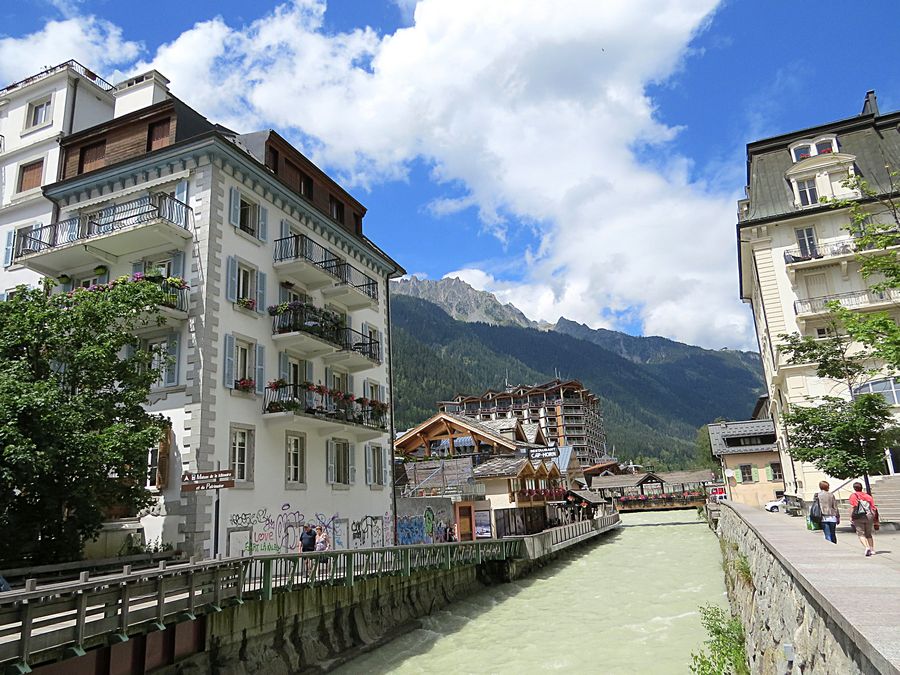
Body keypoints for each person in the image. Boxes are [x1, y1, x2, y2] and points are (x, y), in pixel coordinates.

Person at [848, 482, 877, 557]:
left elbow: (853, 506)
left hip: (859, 516)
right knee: (869, 534)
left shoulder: (853, 496)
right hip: (869, 515)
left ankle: (867, 547)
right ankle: (872, 549)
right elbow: (873, 507)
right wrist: (874, 516)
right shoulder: (868, 496)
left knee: (860, 533)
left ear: (854, 488)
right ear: (861, 487)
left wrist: (851, 516)